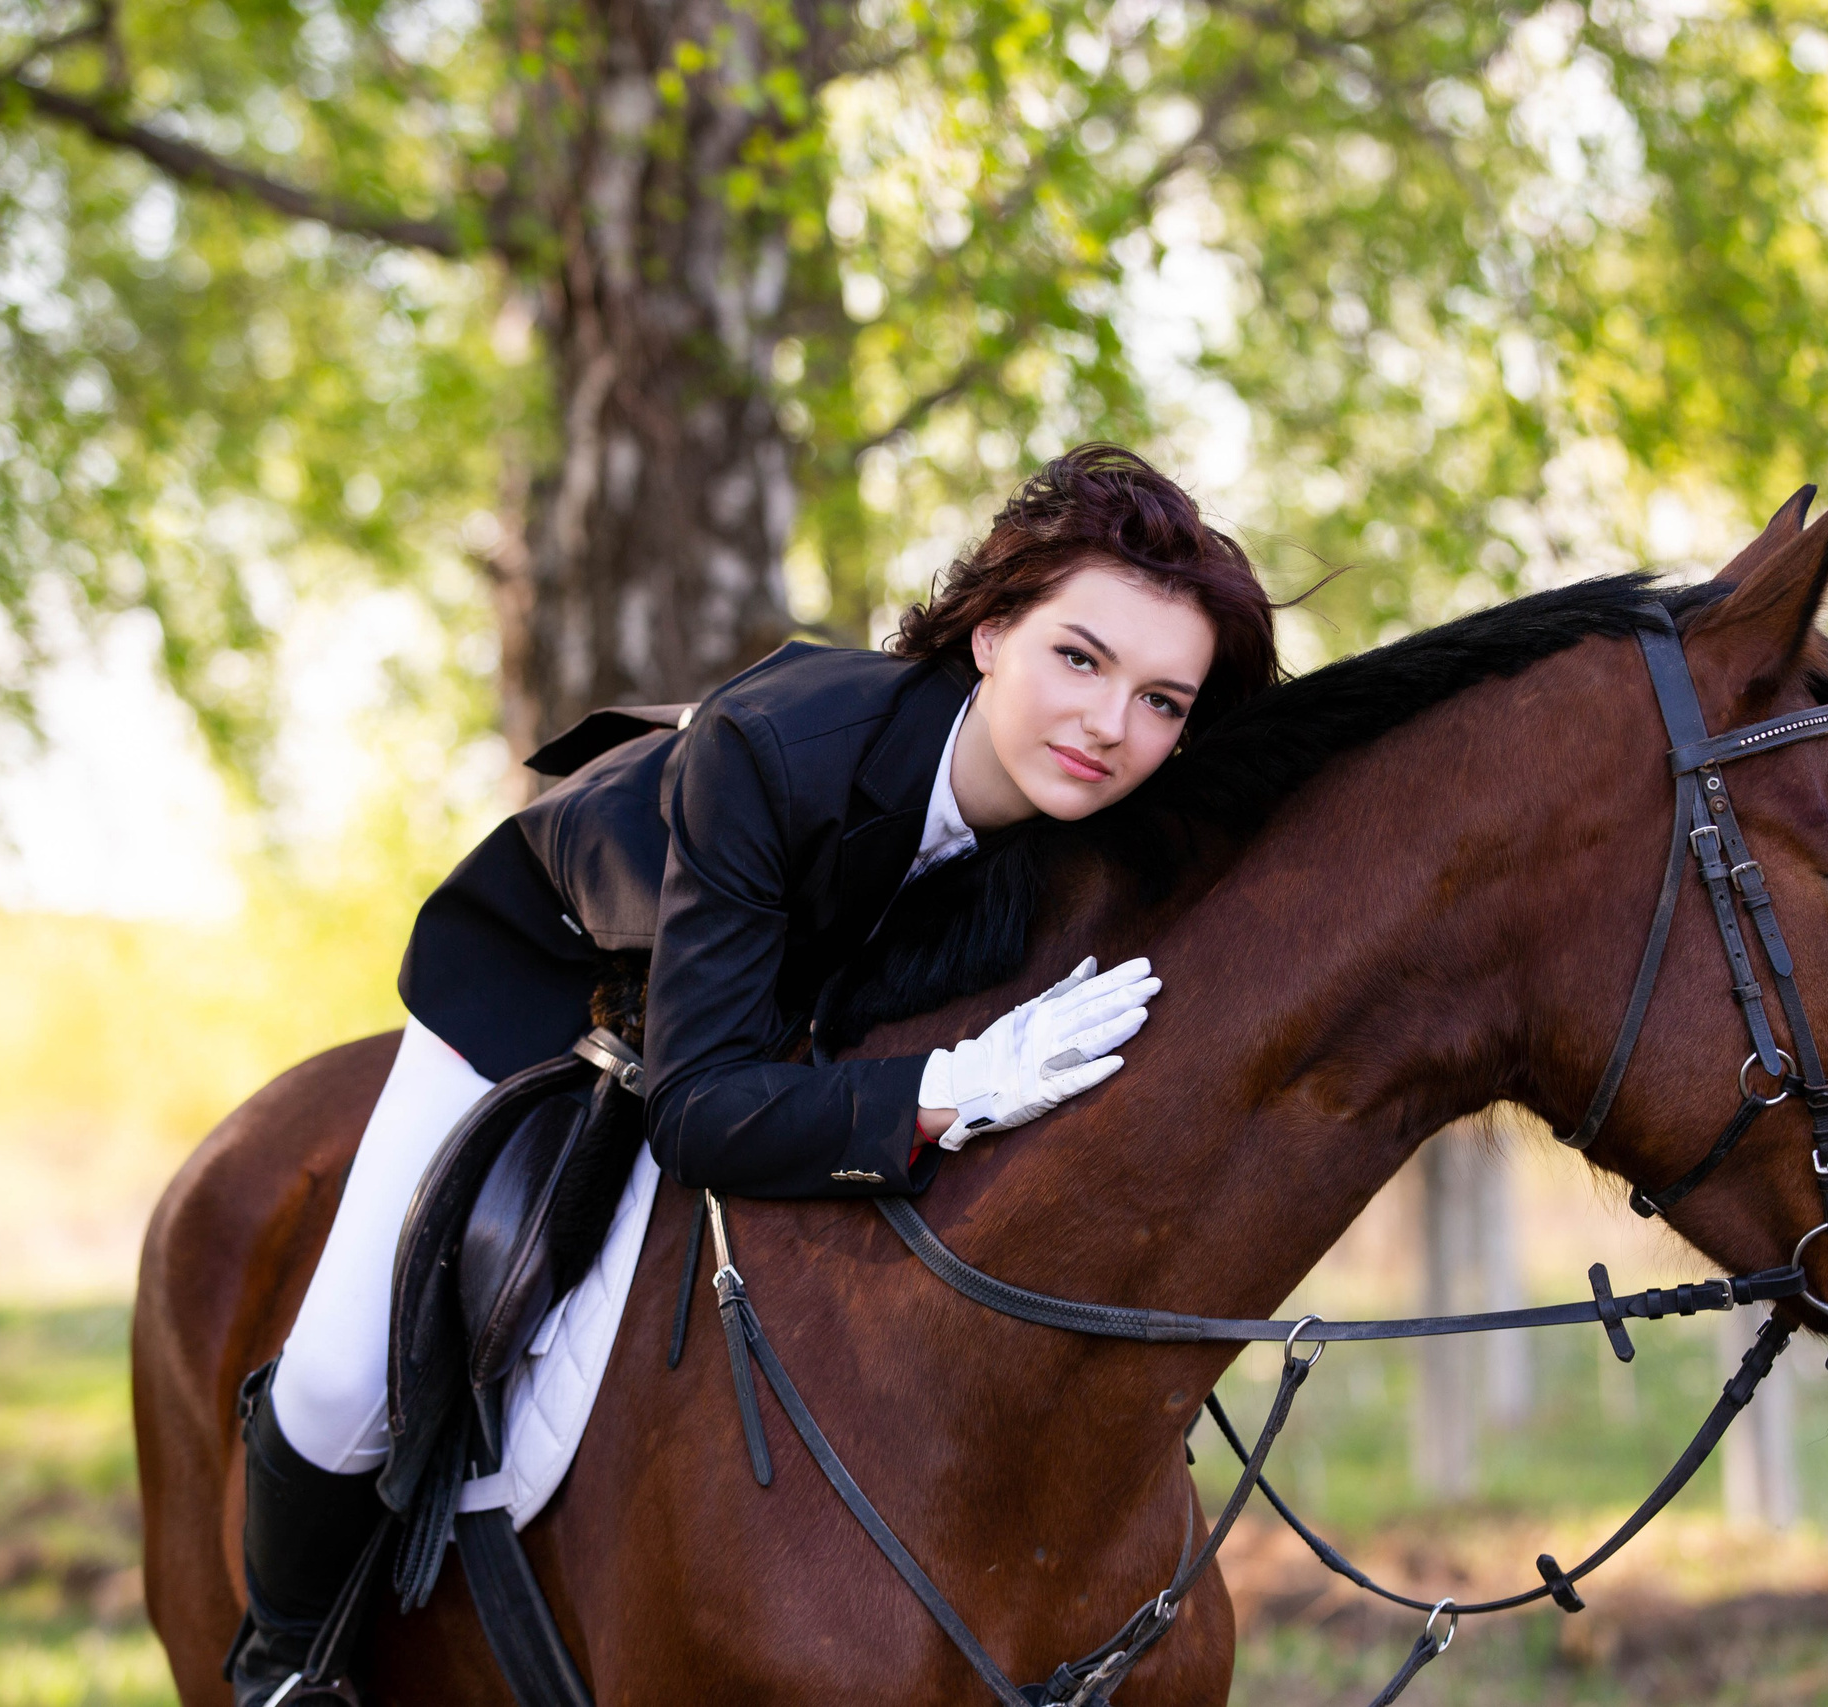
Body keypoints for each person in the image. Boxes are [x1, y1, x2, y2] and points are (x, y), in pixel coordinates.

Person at [225, 444, 1286, 1704]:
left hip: (779, 1008)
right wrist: (951, 1089)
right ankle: (283, 1663)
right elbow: (696, 1109)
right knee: (342, 1377)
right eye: (1080, 658)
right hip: (559, 980)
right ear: (992, 633)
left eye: (1162, 701)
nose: (1110, 726)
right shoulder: (778, 745)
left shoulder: (1097, 825)